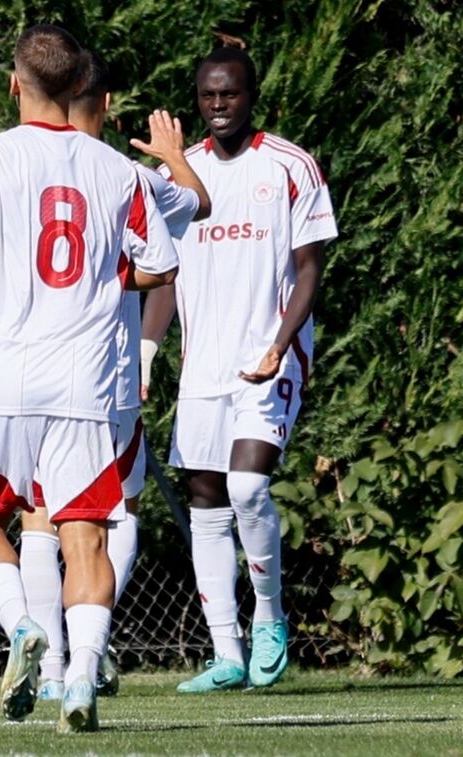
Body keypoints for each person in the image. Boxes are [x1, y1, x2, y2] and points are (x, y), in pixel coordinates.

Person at [0, 25, 177, 733]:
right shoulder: (120, 172)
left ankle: (21, 628)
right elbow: (159, 266)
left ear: (15, 84)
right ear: (80, 88)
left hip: (2, 377)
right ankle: (79, 678)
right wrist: (107, 279)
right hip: (85, 383)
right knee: (87, 534)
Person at [140, 46, 338, 692]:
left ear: (251, 96)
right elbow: (165, 273)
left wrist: (281, 343)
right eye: (207, 96)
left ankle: (271, 616)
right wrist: (146, 351)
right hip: (203, 367)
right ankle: (226, 651)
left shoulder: (289, 166)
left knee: (248, 486)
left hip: (266, 356)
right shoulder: (181, 173)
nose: (218, 105)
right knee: (205, 499)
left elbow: (310, 267)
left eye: (229, 94)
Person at [15, 49, 211, 702]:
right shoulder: (127, 177)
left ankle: (48, 666)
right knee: (111, 518)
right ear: (105, 106)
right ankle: (84, 659)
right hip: (106, 371)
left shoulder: (14, 166)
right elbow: (197, 203)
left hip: (26, 368)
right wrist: (174, 153)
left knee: (38, 517)